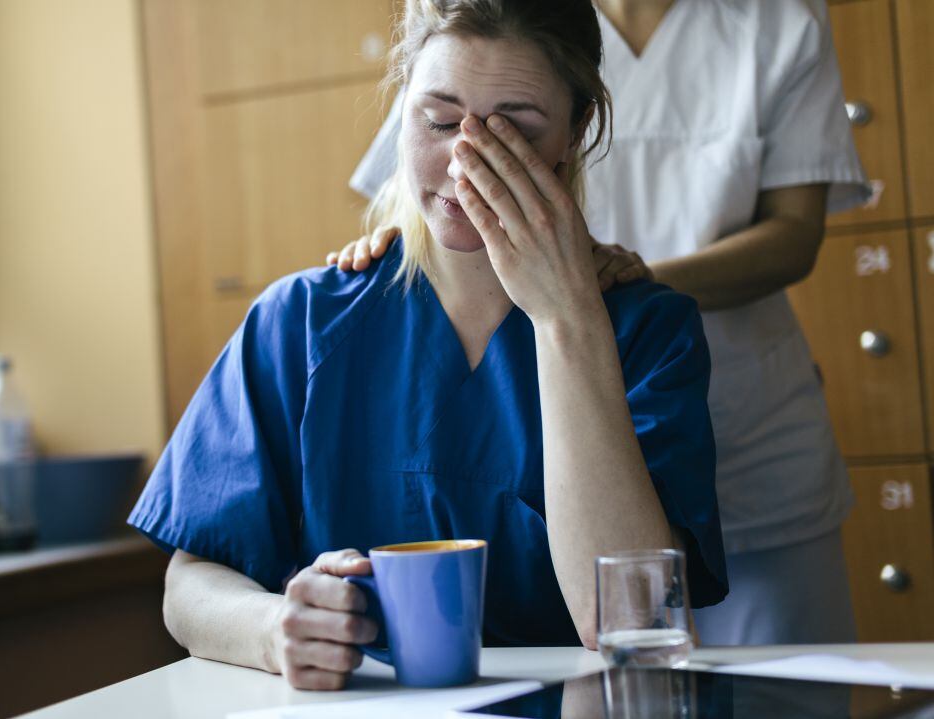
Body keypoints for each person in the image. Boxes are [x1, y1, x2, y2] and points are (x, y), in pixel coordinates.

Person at [128, 0, 728, 691]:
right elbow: (188, 584)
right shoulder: (300, 319)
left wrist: (567, 322)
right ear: (401, 109)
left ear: (576, 129)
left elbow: (630, 621)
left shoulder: (646, 333)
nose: (465, 161)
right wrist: (275, 627)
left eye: (514, 131)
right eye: (438, 120)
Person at [335, 0, 868, 645]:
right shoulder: (507, 19)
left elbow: (793, 235)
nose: (466, 142)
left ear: (579, 130)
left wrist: (598, 288)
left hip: (748, 436)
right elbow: (425, 167)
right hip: (562, 431)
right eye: (446, 120)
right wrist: (421, 241)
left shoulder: (780, 23)